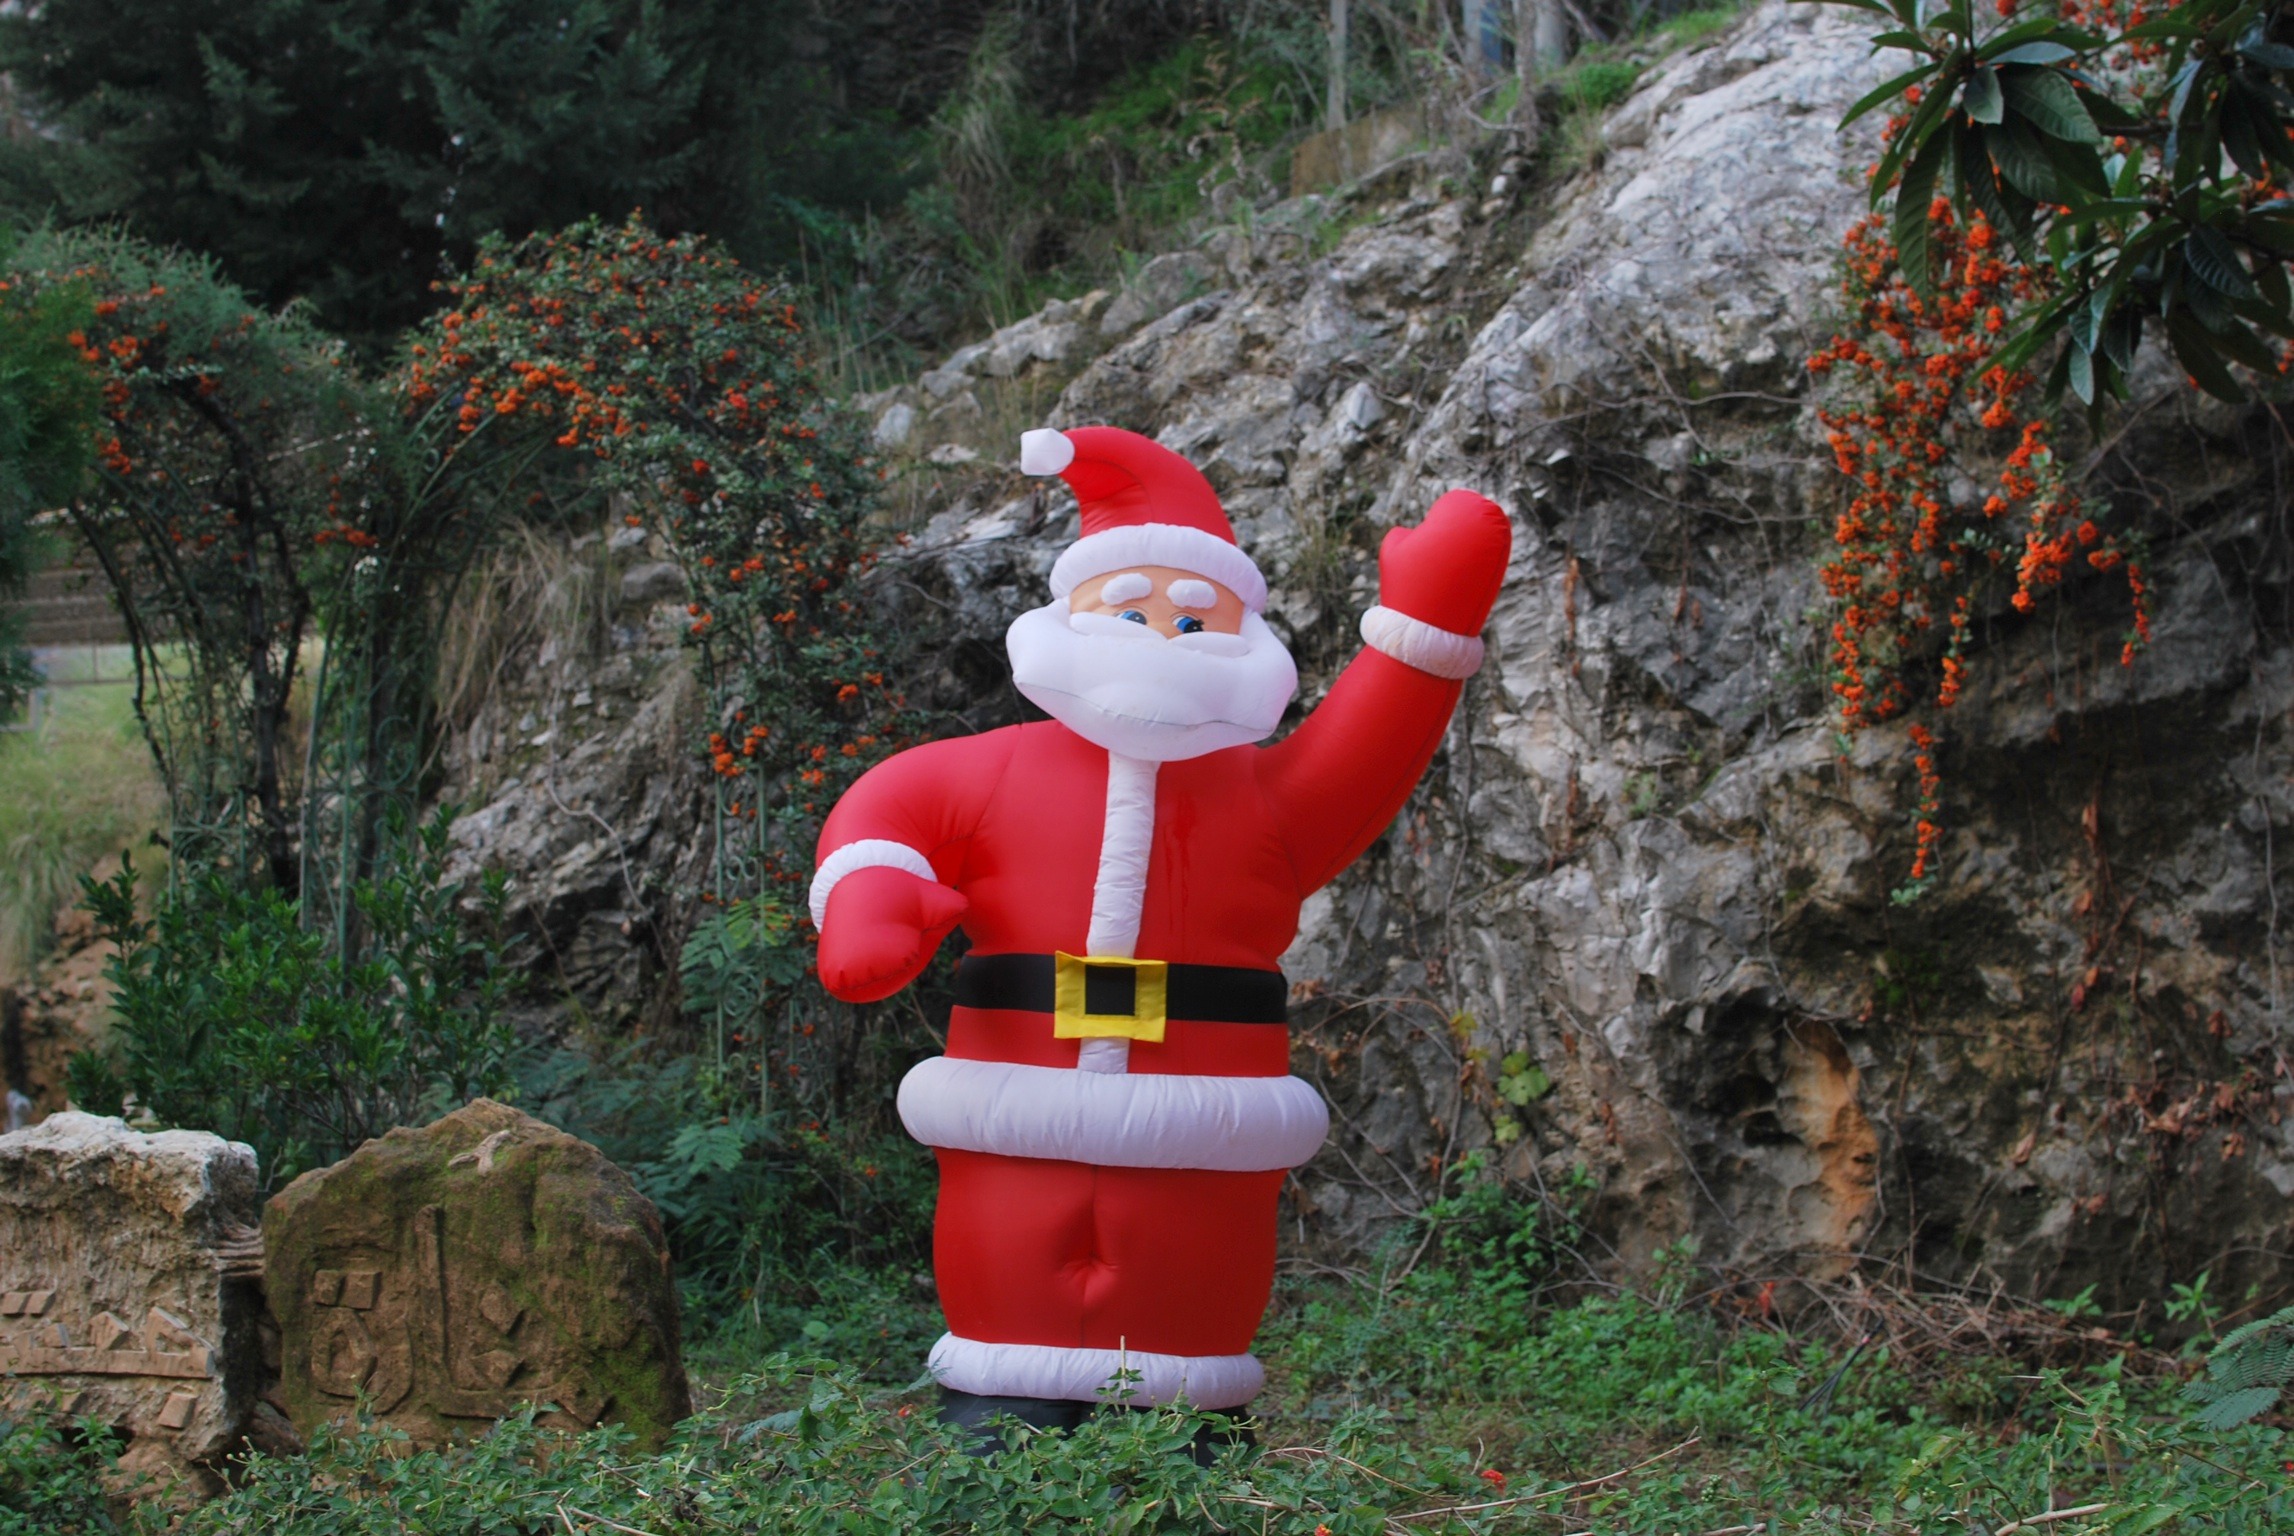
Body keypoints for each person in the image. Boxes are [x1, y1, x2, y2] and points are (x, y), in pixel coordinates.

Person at [809, 424, 1510, 1446]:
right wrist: (872, 896)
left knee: (1188, 1277)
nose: (1160, 636)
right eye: (1128, 610)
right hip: (1012, 1096)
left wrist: (1423, 628)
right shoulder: (987, 771)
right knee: (1005, 1251)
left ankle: (1187, 1437)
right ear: (1068, 617)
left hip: (1204, 1122)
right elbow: (887, 814)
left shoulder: (1264, 800)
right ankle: (998, 1424)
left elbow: (1364, 755)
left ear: (1244, 638)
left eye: (1193, 620)